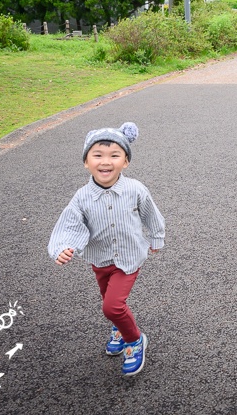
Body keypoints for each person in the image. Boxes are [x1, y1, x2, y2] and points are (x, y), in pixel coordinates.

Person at [48, 122, 165, 377]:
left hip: (129, 257)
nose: (105, 162)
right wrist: (63, 247)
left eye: (114, 155)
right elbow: (70, 224)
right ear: (86, 162)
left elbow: (151, 214)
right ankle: (119, 328)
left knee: (112, 306)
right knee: (108, 300)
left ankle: (134, 339)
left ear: (126, 162)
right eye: (98, 155)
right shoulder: (81, 197)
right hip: (100, 259)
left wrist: (156, 237)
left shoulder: (135, 189)